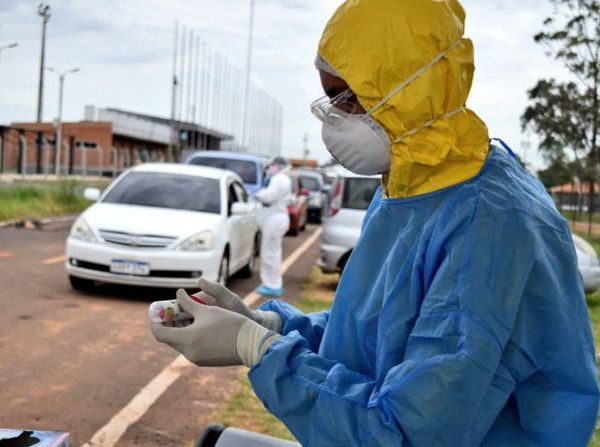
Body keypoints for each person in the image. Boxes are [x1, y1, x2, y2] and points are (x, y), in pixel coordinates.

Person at [151, 0, 600, 445]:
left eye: (344, 99)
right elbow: (374, 336)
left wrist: (258, 350)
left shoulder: (491, 227)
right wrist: (267, 325)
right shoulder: (409, 190)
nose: (332, 119)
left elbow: (405, 433)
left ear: (407, 89)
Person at [254, 156, 292, 298]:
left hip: (275, 220)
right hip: (275, 219)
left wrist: (257, 193)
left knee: (270, 253)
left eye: (272, 165)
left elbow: (269, 197)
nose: (270, 167)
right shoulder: (280, 179)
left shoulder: (280, 179)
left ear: (279, 166)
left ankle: (273, 285)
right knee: (271, 252)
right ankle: (270, 283)